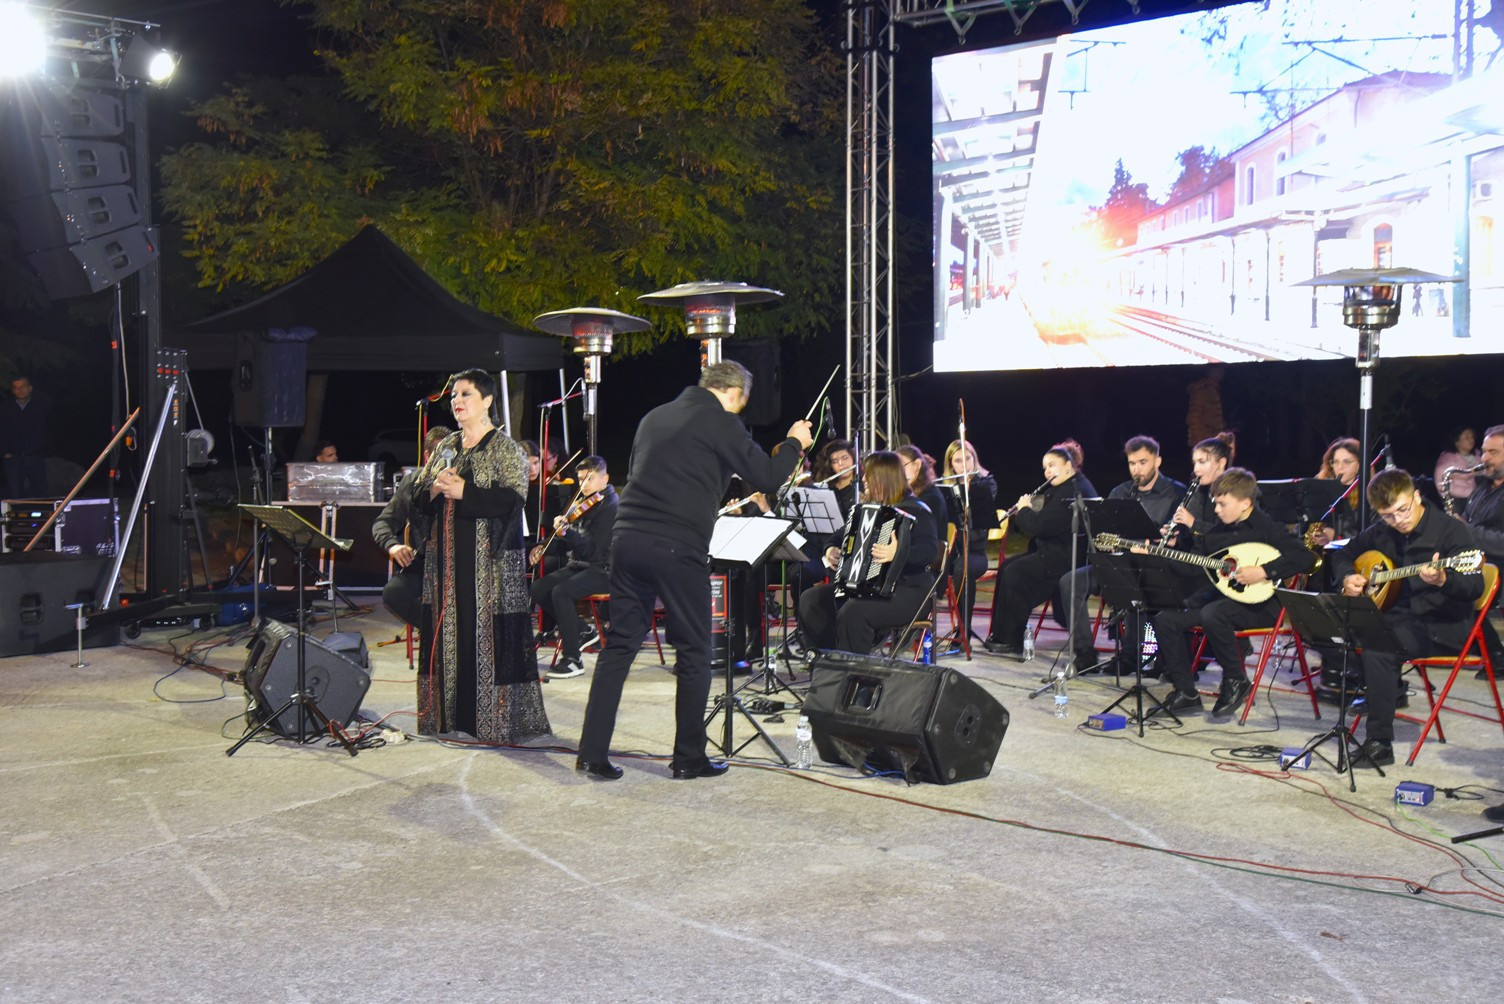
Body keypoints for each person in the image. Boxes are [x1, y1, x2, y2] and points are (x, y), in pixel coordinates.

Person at [575, 361, 813, 781]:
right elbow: (769, 476)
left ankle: (591, 753)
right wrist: (794, 442)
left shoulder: (654, 416)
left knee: (620, 646)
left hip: (626, 539)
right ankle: (688, 757)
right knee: (695, 651)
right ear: (735, 392)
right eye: (742, 403)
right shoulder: (721, 422)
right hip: (676, 545)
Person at [415, 369, 547, 744]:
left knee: (484, 638)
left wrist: (464, 492)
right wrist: (437, 490)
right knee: (449, 641)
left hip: (488, 565)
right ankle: (447, 719)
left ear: (487, 401)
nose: (457, 401)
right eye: (454, 395)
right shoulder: (447, 447)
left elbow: (513, 498)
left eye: (466, 394)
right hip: (446, 566)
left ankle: (490, 722)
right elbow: (419, 494)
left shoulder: (505, 448)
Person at [1329, 469, 1483, 767]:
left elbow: (1475, 586)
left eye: (1403, 510)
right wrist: (1348, 575)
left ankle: (1379, 742)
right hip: (1397, 618)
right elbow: (1343, 553)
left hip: (1442, 625)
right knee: (1330, 632)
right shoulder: (1383, 530)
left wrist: (1443, 581)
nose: (1398, 520)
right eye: (1388, 516)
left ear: (1416, 496)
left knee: (1378, 647)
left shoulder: (1451, 531)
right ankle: (1382, 688)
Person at [1150, 468, 1317, 719]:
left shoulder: (1269, 529)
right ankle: (1185, 693)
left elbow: (1306, 559)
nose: (1217, 510)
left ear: (1245, 503)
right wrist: (1161, 553)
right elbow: (1191, 566)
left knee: (1212, 614)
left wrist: (1264, 571)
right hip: (1222, 600)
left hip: (1263, 606)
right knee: (1166, 619)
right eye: (1215, 503)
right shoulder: (1218, 532)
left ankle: (1236, 680)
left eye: (1222, 504)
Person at [1059, 434, 1187, 673]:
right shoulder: (1120, 492)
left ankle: (1133, 655)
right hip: (1119, 564)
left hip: (1154, 569)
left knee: (1134, 587)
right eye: (1132, 463)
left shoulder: (1176, 493)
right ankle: (1084, 653)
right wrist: (1105, 544)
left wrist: (1163, 540)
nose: (1137, 469)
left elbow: (1181, 540)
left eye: (1143, 462)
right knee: (1070, 582)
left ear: (1157, 461)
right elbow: (1102, 535)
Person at [797, 451, 941, 654]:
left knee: (854, 610)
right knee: (811, 599)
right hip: (869, 587)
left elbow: (928, 552)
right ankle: (826, 665)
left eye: (868, 475)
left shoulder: (916, 510)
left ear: (884, 478)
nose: (863, 479)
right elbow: (837, 536)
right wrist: (830, 549)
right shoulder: (869, 510)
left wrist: (897, 554)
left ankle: (856, 678)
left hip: (910, 590)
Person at [982, 439, 1097, 659]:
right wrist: (1025, 510)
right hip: (1053, 552)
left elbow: (1041, 526)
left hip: (1065, 560)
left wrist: (1025, 510)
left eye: (1052, 465)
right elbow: (1042, 521)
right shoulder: (1063, 487)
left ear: (1068, 466)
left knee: (1016, 573)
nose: (1047, 472)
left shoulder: (1073, 490)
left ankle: (1011, 638)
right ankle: (1002, 635)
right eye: (1045, 467)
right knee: (1007, 567)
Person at [528, 456, 617, 679]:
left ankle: (573, 660)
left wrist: (568, 532)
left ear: (605, 478)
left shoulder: (609, 507)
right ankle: (584, 630)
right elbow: (569, 544)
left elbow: (592, 550)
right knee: (538, 588)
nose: (584, 485)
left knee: (562, 592)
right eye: (581, 480)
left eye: (590, 479)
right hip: (581, 565)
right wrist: (543, 546)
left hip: (603, 570)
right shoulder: (584, 504)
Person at [371, 425, 452, 627]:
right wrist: (393, 545)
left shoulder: (463, 482)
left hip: (458, 566)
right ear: (427, 457)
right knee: (393, 593)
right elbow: (383, 522)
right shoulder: (412, 483)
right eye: (438, 456)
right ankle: (433, 631)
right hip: (423, 566)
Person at [935, 440, 998, 644]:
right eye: (958, 461)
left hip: (975, 553)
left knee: (963, 570)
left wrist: (967, 490)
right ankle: (917, 627)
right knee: (927, 562)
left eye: (967, 459)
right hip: (951, 550)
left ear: (974, 459)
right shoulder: (944, 487)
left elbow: (979, 522)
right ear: (951, 464)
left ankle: (964, 629)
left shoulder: (986, 484)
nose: (963, 465)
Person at [1, 376, 51, 498]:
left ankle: (44, 517)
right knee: (15, 494)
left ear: (30, 388)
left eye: (23, 387)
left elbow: (48, 430)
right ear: (12, 391)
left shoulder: (40, 406)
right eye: (16, 388)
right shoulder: (5, 408)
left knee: (41, 493)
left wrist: (42, 448)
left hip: (35, 456)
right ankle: (17, 517)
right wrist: (4, 452)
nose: (20, 390)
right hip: (13, 458)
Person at [1310, 437, 1363, 546]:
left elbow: (1367, 535)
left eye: (1347, 462)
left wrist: (1335, 535)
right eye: (1336, 462)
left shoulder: (1367, 494)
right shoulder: (1320, 487)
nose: (1340, 467)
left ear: (1359, 465)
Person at [1436, 426, 1480, 505]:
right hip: (1457, 500)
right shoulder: (1447, 459)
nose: (1471, 440)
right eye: (1467, 437)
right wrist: (1470, 492)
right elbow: (1441, 484)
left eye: (1472, 437)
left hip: (1476, 497)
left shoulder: (1479, 455)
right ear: (1456, 441)